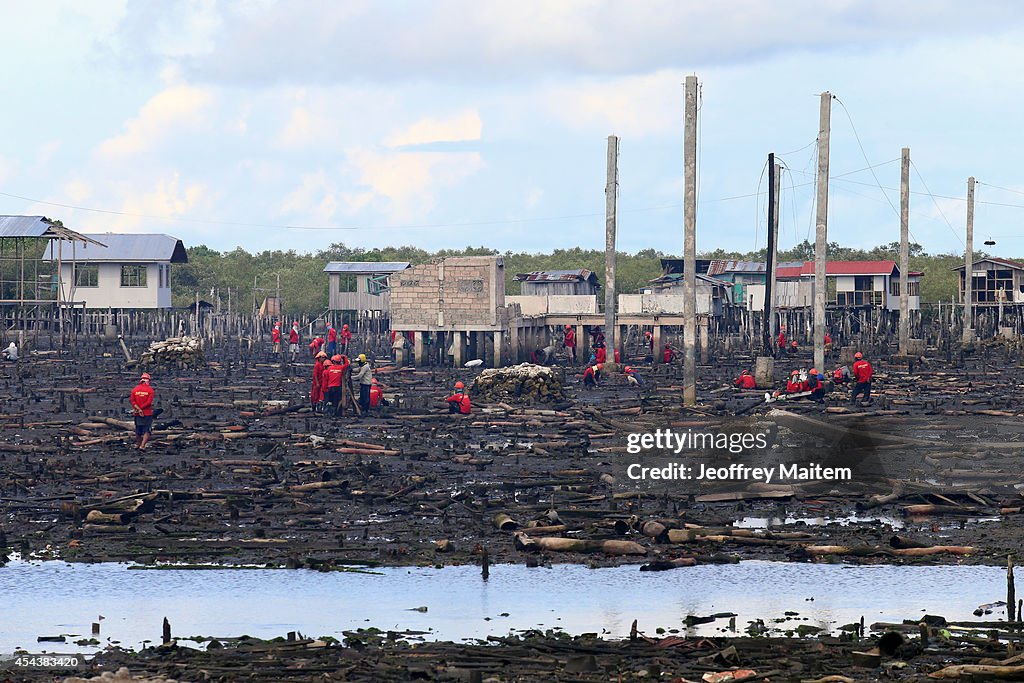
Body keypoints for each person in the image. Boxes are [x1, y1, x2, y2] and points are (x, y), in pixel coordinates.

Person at [129, 373, 155, 450]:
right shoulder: (150, 390)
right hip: (147, 413)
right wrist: (141, 409)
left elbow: (132, 401)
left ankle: (138, 444)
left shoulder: (135, 389)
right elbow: (149, 402)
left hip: (137, 413)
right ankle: (142, 446)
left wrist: (138, 409)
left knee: (138, 430)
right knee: (147, 430)